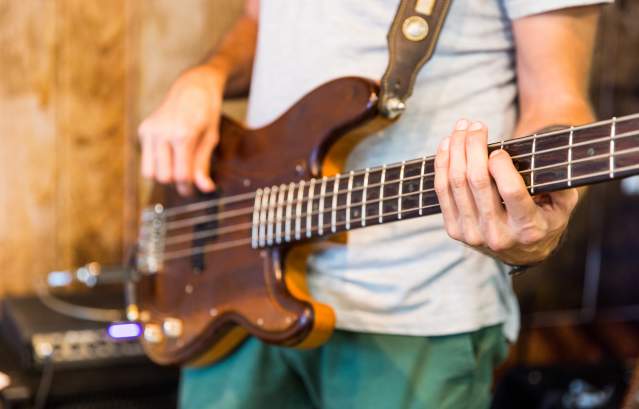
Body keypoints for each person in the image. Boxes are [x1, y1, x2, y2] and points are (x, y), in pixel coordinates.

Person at [138, 0, 611, 407]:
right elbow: (262, 21)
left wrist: (533, 228)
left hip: (416, 310)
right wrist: (207, 74)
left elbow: (557, 99)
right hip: (237, 289)